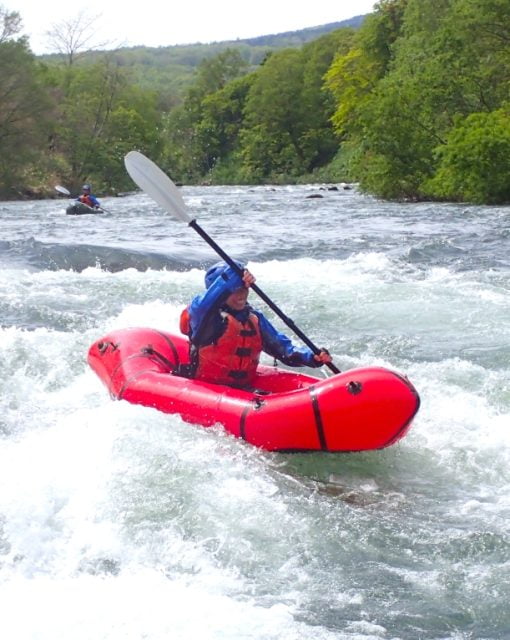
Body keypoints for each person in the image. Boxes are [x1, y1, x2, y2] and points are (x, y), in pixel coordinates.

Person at [179, 260, 332, 388]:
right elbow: (203, 305)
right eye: (235, 289)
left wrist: (312, 357)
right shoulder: (205, 317)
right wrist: (235, 274)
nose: (242, 294)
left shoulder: (254, 318)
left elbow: (284, 349)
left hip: (242, 391)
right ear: (222, 291)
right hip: (206, 387)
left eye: (244, 288)